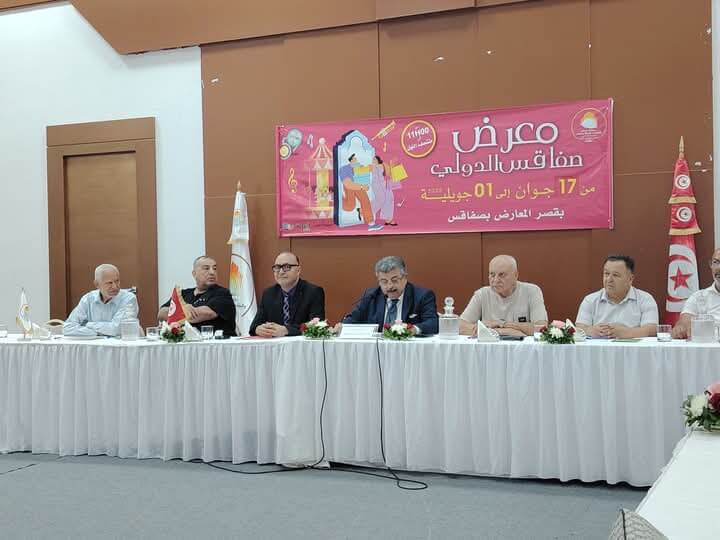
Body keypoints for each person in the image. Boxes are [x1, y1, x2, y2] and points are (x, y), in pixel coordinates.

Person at [341, 255, 438, 334]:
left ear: (405, 277)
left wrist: (413, 329)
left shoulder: (422, 296)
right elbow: (352, 319)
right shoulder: (371, 295)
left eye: (394, 280)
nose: (389, 286)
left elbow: (433, 323)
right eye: (384, 281)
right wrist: (342, 326)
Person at [459, 255, 548, 337]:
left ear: (516, 275)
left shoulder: (532, 291)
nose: (495, 280)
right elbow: (460, 326)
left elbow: (541, 328)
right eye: (492, 274)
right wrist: (503, 331)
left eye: (501, 275)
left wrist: (501, 324)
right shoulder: (482, 294)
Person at [576, 255, 658, 338]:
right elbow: (579, 328)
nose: (609, 279)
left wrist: (627, 333)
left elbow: (652, 329)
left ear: (630, 279)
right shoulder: (590, 300)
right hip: (598, 346)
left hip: (631, 346)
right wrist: (590, 330)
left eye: (615, 275)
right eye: (606, 274)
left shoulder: (645, 299)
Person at [250, 252, 325, 337]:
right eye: (277, 267)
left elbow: (318, 325)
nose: (281, 272)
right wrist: (258, 329)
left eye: (286, 267)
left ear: (298, 270)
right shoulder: (269, 294)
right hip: (275, 344)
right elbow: (254, 326)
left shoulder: (313, 292)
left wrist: (287, 330)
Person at [158, 256, 236, 336]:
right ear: (194, 274)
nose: (212, 272)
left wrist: (177, 311)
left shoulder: (222, 293)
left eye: (214, 268)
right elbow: (161, 314)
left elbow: (204, 314)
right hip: (187, 341)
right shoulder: (183, 294)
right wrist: (183, 308)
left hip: (216, 342)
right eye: (206, 268)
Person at [64, 264, 139, 337]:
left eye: (117, 281)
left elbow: (116, 329)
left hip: (119, 344)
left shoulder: (128, 298)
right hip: (92, 344)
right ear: (97, 284)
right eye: (109, 283)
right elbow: (68, 328)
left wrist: (86, 324)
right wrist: (98, 333)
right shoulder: (88, 299)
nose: (115, 286)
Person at [672, 248, 720, 338]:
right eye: (716, 262)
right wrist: (681, 328)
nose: (719, 268)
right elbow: (684, 322)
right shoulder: (698, 297)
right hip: (707, 345)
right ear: (711, 265)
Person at [340, 154, 383, 231]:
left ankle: (371, 224)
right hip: (350, 186)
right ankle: (337, 198)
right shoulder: (344, 169)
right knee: (350, 206)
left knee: (365, 200)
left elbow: (369, 168)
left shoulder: (358, 167)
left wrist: (376, 165)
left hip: (358, 185)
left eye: (356, 159)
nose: (356, 161)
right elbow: (348, 184)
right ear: (350, 161)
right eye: (354, 159)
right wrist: (362, 187)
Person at [370, 155, 399, 226]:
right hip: (377, 186)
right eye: (373, 159)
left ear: (378, 160)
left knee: (389, 199)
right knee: (381, 200)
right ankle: (365, 211)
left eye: (375, 159)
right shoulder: (371, 166)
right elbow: (361, 170)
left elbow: (389, 174)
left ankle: (388, 219)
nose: (373, 160)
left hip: (385, 184)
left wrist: (393, 165)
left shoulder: (383, 165)